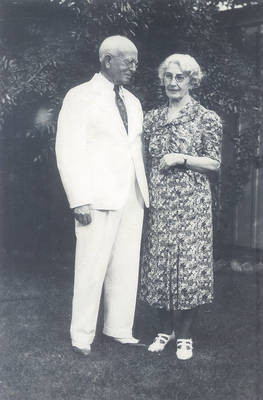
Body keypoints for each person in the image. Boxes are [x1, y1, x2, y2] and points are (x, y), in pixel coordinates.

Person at [55, 35, 149, 356]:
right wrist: (78, 197)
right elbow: (67, 149)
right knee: (91, 267)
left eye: (136, 61)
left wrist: (143, 192)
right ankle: (81, 336)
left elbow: (133, 150)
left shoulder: (133, 101)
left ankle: (119, 329)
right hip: (95, 197)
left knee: (125, 266)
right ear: (107, 60)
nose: (134, 67)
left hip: (131, 196)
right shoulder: (80, 96)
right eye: (128, 61)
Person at [140, 54, 222, 360]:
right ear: (162, 80)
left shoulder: (207, 118)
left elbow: (214, 163)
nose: (173, 83)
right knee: (159, 266)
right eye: (169, 77)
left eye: (180, 78)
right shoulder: (151, 119)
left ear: (191, 82)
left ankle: (185, 336)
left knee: (189, 268)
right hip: (160, 202)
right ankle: (165, 330)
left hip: (191, 204)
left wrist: (182, 158)